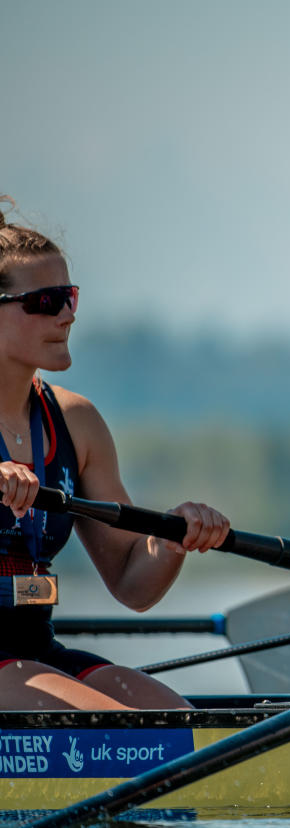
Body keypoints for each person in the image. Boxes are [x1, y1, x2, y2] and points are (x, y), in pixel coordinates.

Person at [0, 198, 230, 710]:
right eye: (45, 301)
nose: (66, 316)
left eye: (70, 297)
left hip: (36, 651)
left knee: (180, 723)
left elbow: (132, 584)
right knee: (120, 730)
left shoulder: (76, 422)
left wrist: (172, 537)